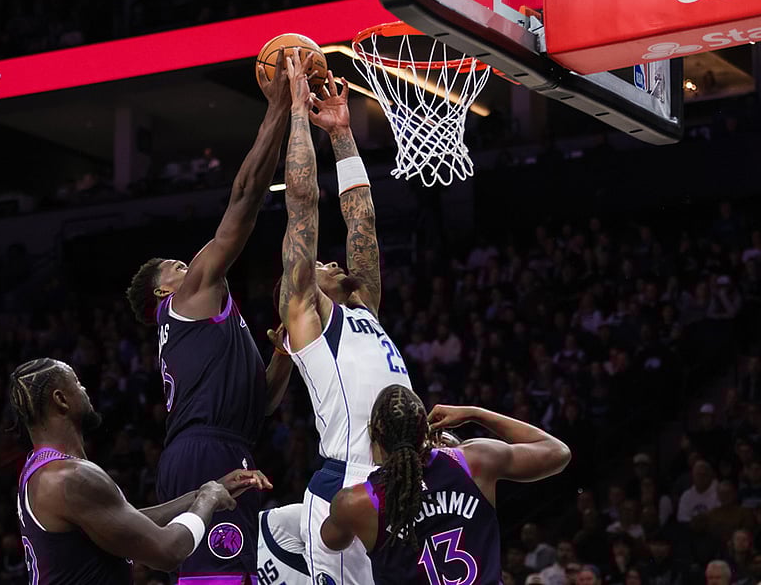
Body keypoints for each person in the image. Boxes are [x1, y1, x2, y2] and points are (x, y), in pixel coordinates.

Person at [124, 49, 298, 583]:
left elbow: (261, 402)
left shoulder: (207, 325)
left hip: (224, 441)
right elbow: (244, 199)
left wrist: (283, 350)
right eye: (178, 264)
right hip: (204, 450)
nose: (191, 262)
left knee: (231, 575)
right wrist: (278, 110)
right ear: (162, 291)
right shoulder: (188, 298)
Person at [275, 54, 413, 583]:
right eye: (320, 263)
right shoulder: (305, 317)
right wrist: (294, 113)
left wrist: (341, 133)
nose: (331, 261)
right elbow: (303, 207)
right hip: (344, 484)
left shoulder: (364, 309)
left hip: (399, 477)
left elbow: (363, 221)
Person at [7, 358, 271, 585]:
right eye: (76, 382)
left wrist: (203, 491)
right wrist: (208, 501)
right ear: (61, 400)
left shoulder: (40, 470)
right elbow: (168, 551)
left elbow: (126, 521)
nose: (84, 388)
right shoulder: (70, 478)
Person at [319, 385, 571, 585]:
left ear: (373, 432)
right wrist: (475, 413)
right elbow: (558, 452)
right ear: (426, 431)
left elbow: (330, 542)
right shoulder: (473, 461)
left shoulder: (356, 502)